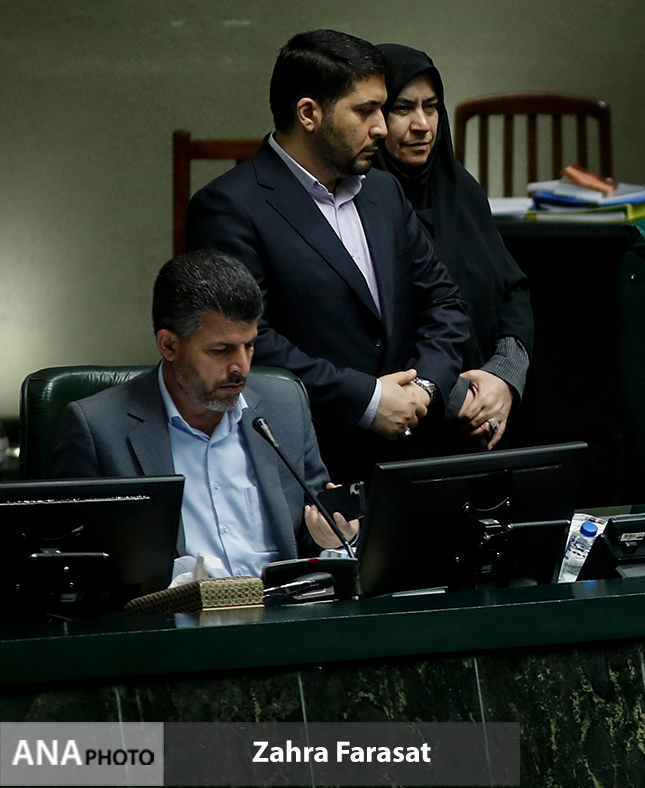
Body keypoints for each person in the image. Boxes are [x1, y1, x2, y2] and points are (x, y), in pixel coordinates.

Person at [185, 29, 473, 483]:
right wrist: (367, 400)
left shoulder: (383, 191)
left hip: (410, 455)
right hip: (305, 463)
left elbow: (444, 301)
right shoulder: (228, 207)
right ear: (309, 114)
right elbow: (249, 342)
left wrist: (423, 388)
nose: (381, 127)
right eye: (365, 111)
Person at [54, 251, 355, 574]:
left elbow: (312, 531)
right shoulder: (98, 428)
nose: (241, 366)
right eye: (221, 350)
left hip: (281, 601)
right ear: (169, 345)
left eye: (249, 346)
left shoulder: (285, 405)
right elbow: (76, 564)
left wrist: (333, 537)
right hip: (176, 605)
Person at [376, 43, 533, 450]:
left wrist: (503, 378)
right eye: (402, 109)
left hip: (494, 415)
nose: (422, 125)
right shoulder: (362, 206)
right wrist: (461, 400)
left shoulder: (460, 188)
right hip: (412, 429)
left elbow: (512, 290)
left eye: (431, 107)